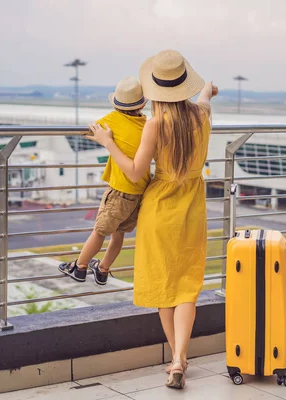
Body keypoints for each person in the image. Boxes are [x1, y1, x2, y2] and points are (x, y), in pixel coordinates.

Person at [88, 49, 218, 390]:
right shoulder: (202, 116)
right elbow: (204, 99)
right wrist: (209, 91)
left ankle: (178, 359)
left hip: (159, 208)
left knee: (164, 287)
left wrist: (107, 142)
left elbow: (133, 173)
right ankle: (179, 359)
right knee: (187, 286)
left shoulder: (155, 125)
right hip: (193, 207)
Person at [59, 76, 150, 285]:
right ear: (142, 104)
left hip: (118, 191)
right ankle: (102, 269)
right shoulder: (145, 124)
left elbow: (89, 131)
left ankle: (79, 267)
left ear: (117, 104)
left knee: (99, 231)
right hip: (138, 193)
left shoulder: (113, 119)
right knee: (118, 235)